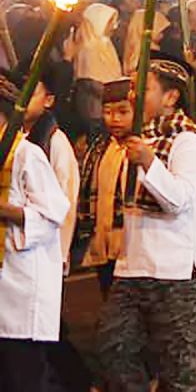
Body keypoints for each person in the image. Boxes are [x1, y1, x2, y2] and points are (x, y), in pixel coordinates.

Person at [96, 55, 196, 392]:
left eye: (144, 88)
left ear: (171, 97)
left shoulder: (188, 142)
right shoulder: (136, 141)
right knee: (114, 349)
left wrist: (149, 162)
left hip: (177, 271)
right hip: (131, 266)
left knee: (176, 368)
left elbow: (178, 200)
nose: (134, 94)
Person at [0, 73, 71, 391]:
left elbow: (53, 212)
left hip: (22, 285)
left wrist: (5, 212)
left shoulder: (27, 154)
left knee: (24, 376)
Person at [75, 78, 134, 299]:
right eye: (108, 112)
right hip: (102, 241)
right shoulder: (99, 148)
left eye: (122, 112)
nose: (114, 119)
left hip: (131, 244)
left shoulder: (143, 148)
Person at [63, 2, 123, 133]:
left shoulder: (106, 45)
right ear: (98, 23)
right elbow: (90, 82)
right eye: (109, 22)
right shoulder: (89, 48)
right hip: (94, 112)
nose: (114, 27)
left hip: (110, 109)